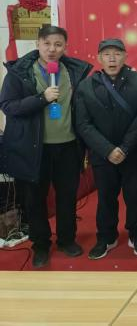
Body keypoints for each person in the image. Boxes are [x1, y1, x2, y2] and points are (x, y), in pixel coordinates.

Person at [0, 26, 92, 268]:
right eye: (47, 44)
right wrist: (41, 98)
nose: (52, 49)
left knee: (67, 197)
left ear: (65, 47)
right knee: (34, 200)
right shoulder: (19, 73)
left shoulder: (74, 71)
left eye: (58, 44)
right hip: (33, 149)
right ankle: (40, 244)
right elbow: (8, 106)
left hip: (68, 147)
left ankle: (66, 240)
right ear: (38, 44)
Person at [75, 39, 137, 259]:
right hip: (102, 155)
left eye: (117, 54)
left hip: (133, 153)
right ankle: (106, 237)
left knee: (135, 196)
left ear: (125, 56)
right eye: (107, 54)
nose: (112, 59)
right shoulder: (86, 86)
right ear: (99, 58)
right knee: (106, 198)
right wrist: (108, 149)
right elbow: (83, 124)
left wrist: (125, 147)